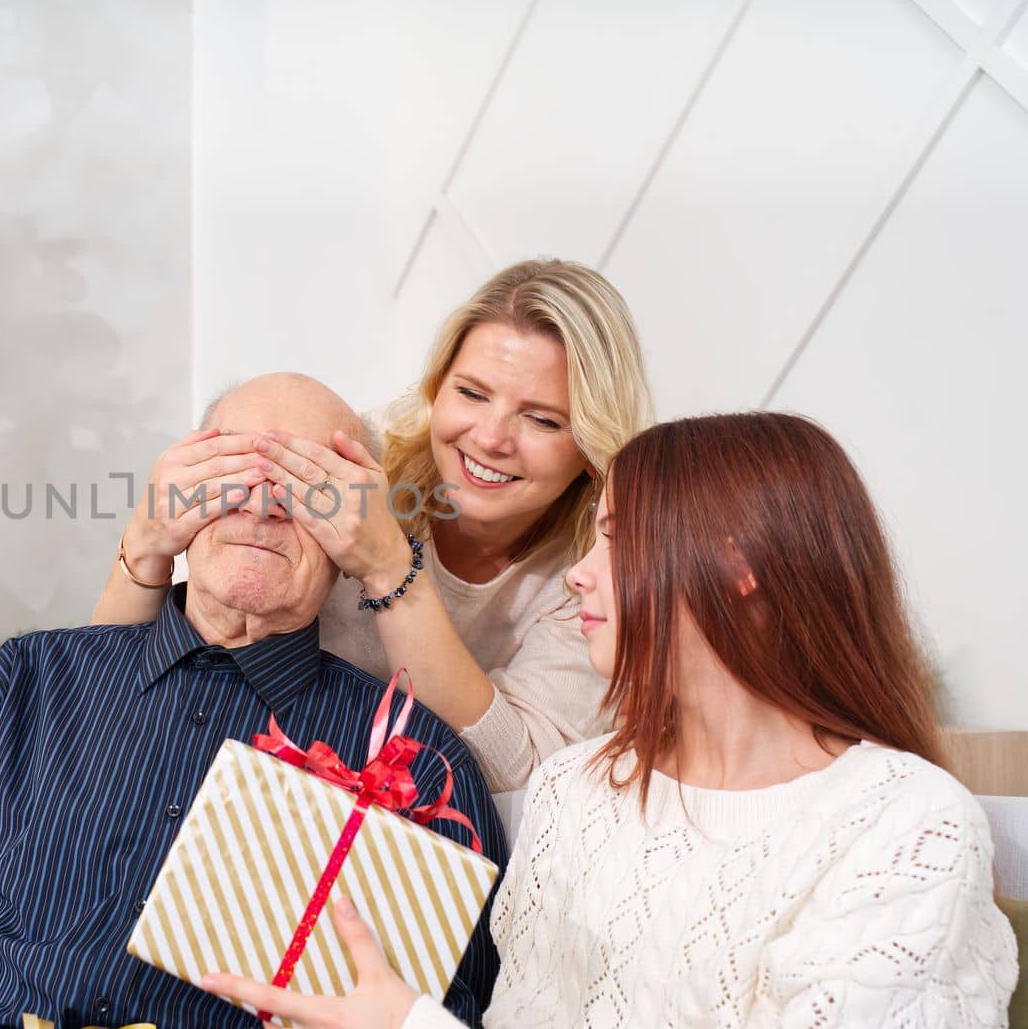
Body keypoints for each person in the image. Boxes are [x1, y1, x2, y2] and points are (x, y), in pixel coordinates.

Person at [200, 412, 1018, 1027]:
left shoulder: (905, 825)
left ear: (737, 567)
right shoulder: (574, 793)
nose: (581, 578)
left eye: (618, 540)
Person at [0, 373, 504, 1029]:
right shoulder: (36, 677)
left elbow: (445, 1014)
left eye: (308, 485)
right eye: (233, 469)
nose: (262, 504)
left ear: (356, 528)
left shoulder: (418, 763)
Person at [94, 258, 655, 791]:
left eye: (541, 419)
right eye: (471, 393)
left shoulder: (599, 571)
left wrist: (389, 568)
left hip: (424, 831)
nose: (490, 438)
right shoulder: (349, 459)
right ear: (436, 388)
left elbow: (525, 776)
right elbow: (101, 695)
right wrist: (145, 545)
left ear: (588, 444)